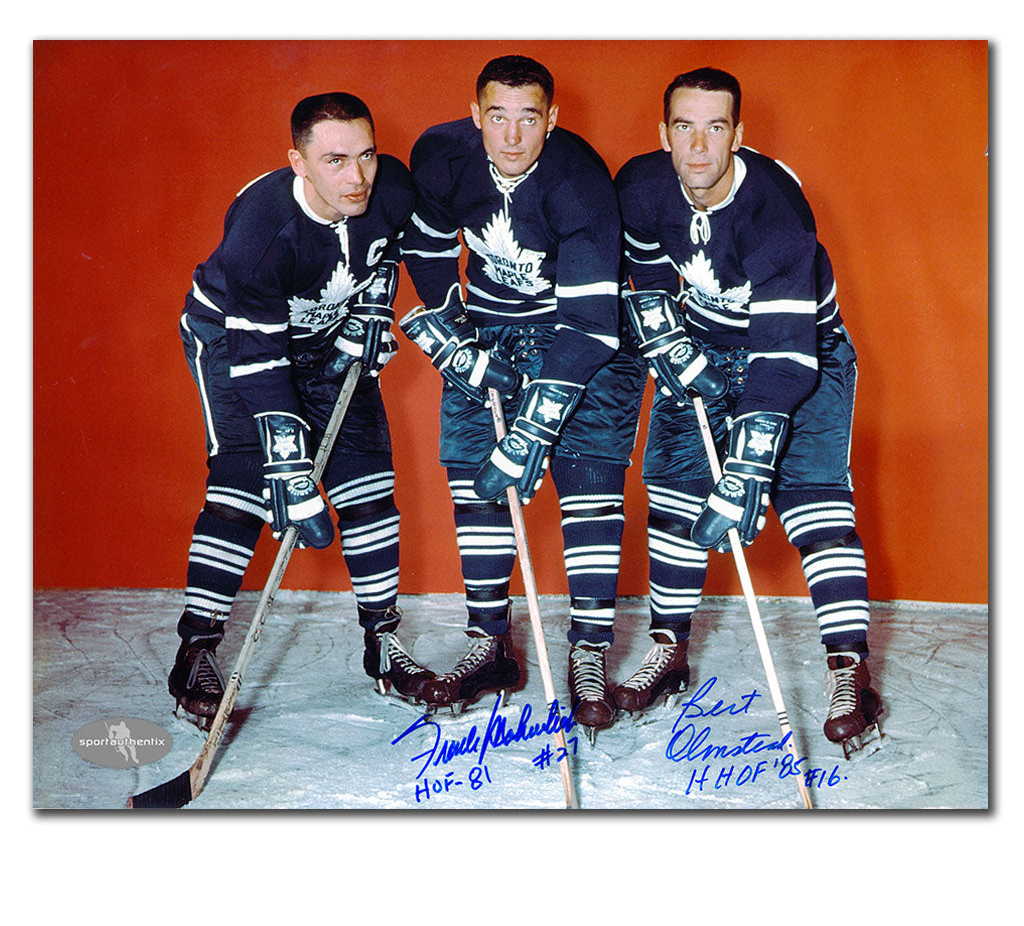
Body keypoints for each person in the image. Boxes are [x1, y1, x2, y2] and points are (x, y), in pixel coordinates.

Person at [613, 67, 883, 755]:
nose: (698, 147)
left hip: (800, 355)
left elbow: (786, 359)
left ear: (739, 134)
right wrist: (667, 339)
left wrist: (747, 464)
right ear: (663, 132)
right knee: (675, 500)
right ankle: (669, 653)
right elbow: (645, 274)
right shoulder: (643, 185)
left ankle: (850, 671)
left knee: (815, 507)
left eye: (715, 128)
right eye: (684, 126)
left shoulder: (776, 211)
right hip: (705, 343)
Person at [169, 92, 435, 728]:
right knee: (244, 486)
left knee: (369, 489)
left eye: (366, 156)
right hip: (235, 344)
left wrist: (373, 307)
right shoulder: (263, 230)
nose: (357, 177)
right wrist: (289, 470)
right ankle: (196, 650)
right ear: (299, 162)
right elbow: (259, 360)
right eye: (336, 161)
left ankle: (383, 645)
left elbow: (387, 249)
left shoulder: (389, 187)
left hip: (327, 339)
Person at [399, 55, 646, 736]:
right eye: (497, 117)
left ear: (552, 119)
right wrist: (456, 334)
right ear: (476, 115)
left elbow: (593, 327)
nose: (511, 137)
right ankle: (489, 647)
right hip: (489, 329)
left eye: (528, 118)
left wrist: (533, 429)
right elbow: (423, 249)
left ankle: (589, 651)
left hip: (581, 336)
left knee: (588, 484)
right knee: (479, 484)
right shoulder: (443, 155)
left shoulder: (581, 183)